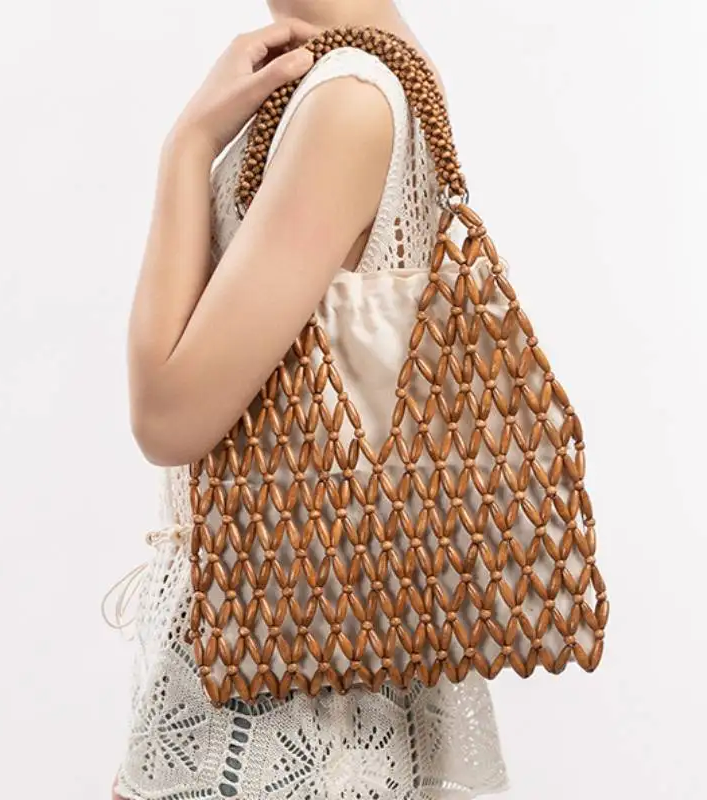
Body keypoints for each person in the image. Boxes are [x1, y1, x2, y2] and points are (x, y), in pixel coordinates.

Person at [109, 1, 509, 797]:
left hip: (282, 684)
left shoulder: (348, 100)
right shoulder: (371, 71)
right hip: (303, 643)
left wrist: (187, 148)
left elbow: (166, 418)